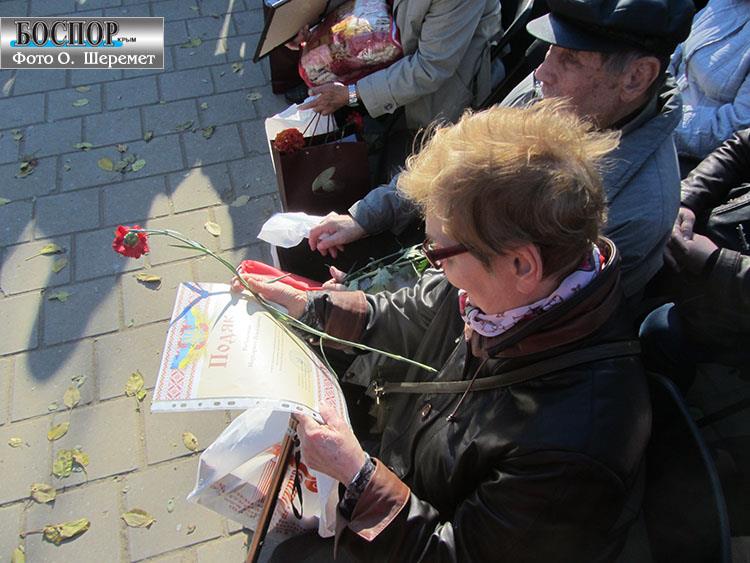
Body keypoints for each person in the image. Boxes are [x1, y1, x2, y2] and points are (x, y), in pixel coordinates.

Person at [234, 102, 651, 561]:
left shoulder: (575, 449)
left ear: (521, 264)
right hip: (408, 471)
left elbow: (459, 554)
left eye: (439, 253)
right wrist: (311, 305)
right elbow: (416, 311)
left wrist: (360, 477)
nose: (435, 265)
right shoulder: (503, 294)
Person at [308, 0, 695, 300]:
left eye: (570, 59)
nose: (541, 72)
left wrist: (372, 297)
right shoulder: (560, 96)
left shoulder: (633, 213)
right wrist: (365, 216)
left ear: (636, 77)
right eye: (551, 50)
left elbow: (500, 310)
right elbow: (456, 159)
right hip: (438, 267)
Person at [640, 128, 750, 392]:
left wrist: (716, 262)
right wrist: (686, 199)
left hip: (731, 302)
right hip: (701, 234)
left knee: (660, 333)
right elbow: (741, 147)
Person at [297, 0, 502, 130]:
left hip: (437, 90)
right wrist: (308, 23)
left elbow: (429, 69)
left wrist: (352, 94)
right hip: (384, 46)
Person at [669, 0, 750, 171]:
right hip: (656, 121)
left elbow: (738, 126)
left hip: (704, 164)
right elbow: (674, 53)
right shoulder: (722, 3)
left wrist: (661, 120)